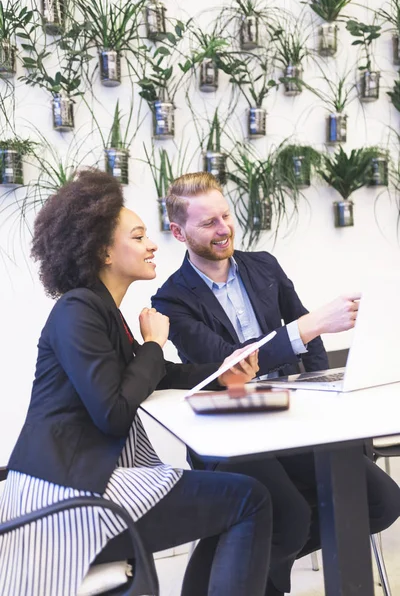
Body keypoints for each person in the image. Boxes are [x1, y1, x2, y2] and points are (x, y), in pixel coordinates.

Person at [0, 169, 274, 596]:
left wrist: (226, 371)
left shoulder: (102, 313)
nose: (152, 245)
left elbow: (160, 373)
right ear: (104, 252)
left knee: (241, 500)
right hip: (70, 496)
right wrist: (152, 343)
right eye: (139, 236)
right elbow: (113, 413)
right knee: (249, 499)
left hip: (94, 479)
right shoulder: (77, 311)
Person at [152, 171, 400, 596]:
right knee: (288, 517)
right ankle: (245, 572)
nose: (224, 228)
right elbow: (232, 365)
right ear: (179, 231)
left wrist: (319, 382)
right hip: (231, 430)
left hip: (293, 417)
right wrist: (305, 328)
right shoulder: (171, 300)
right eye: (209, 222)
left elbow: (311, 344)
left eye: (225, 216)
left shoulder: (263, 265)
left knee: (381, 501)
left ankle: (254, 561)